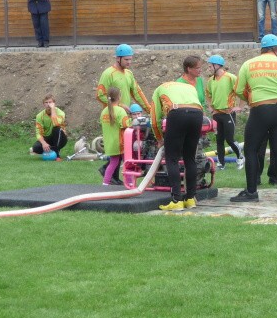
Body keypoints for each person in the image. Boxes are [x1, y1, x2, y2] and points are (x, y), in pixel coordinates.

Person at [230, 34, 277, 203]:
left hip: (260, 109)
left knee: (250, 150)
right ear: (276, 49)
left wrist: (250, 99)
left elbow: (238, 89)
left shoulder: (248, 64)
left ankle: (251, 192)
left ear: (262, 49)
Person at [96, 43, 150, 182]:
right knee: (117, 146)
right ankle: (111, 176)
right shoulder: (108, 73)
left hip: (125, 115)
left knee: (125, 147)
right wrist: (118, 105)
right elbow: (100, 94)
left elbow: (137, 92)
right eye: (127, 59)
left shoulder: (129, 74)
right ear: (118, 58)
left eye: (131, 59)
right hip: (113, 116)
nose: (129, 62)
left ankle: (112, 175)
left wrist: (149, 109)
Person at [152, 79, 204, 211]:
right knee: (190, 157)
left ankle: (176, 200)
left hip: (177, 113)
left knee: (172, 158)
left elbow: (154, 120)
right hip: (198, 114)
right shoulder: (189, 87)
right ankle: (190, 198)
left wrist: (159, 139)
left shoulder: (159, 89)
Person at [206, 54, 243, 170]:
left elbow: (242, 91)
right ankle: (221, 163)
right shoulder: (210, 80)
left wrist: (240, 107)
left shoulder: (231, 78)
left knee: (230, 139)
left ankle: (240, 157)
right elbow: (208, 95)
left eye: (210, 66)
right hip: (217, 114)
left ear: (217, 65)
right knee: (219, 140)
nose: (209, 68)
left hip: (228, 113)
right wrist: (211, 107)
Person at [99, 87, 130, 186]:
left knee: (113, 163)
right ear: (119, 97)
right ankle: (129, 183)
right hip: (121, 142)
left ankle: (105, 183)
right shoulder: (120, 111)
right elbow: (126, 125)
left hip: (109, 143)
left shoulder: (104, 111)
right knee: (127, 163)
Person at [30, 94, 67, 160]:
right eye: (46, 102)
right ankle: (51, 149)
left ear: (54, 103)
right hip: (48, 138)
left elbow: (56, 124)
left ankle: (57, 155)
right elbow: (38, 133)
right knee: (35, 148)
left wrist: (53, 109)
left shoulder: (61, 113)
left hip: (60, 138)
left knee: (56, 129)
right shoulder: (39, 116)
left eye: (50, 102)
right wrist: (44, 143)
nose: (48, 104)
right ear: (43, 104)